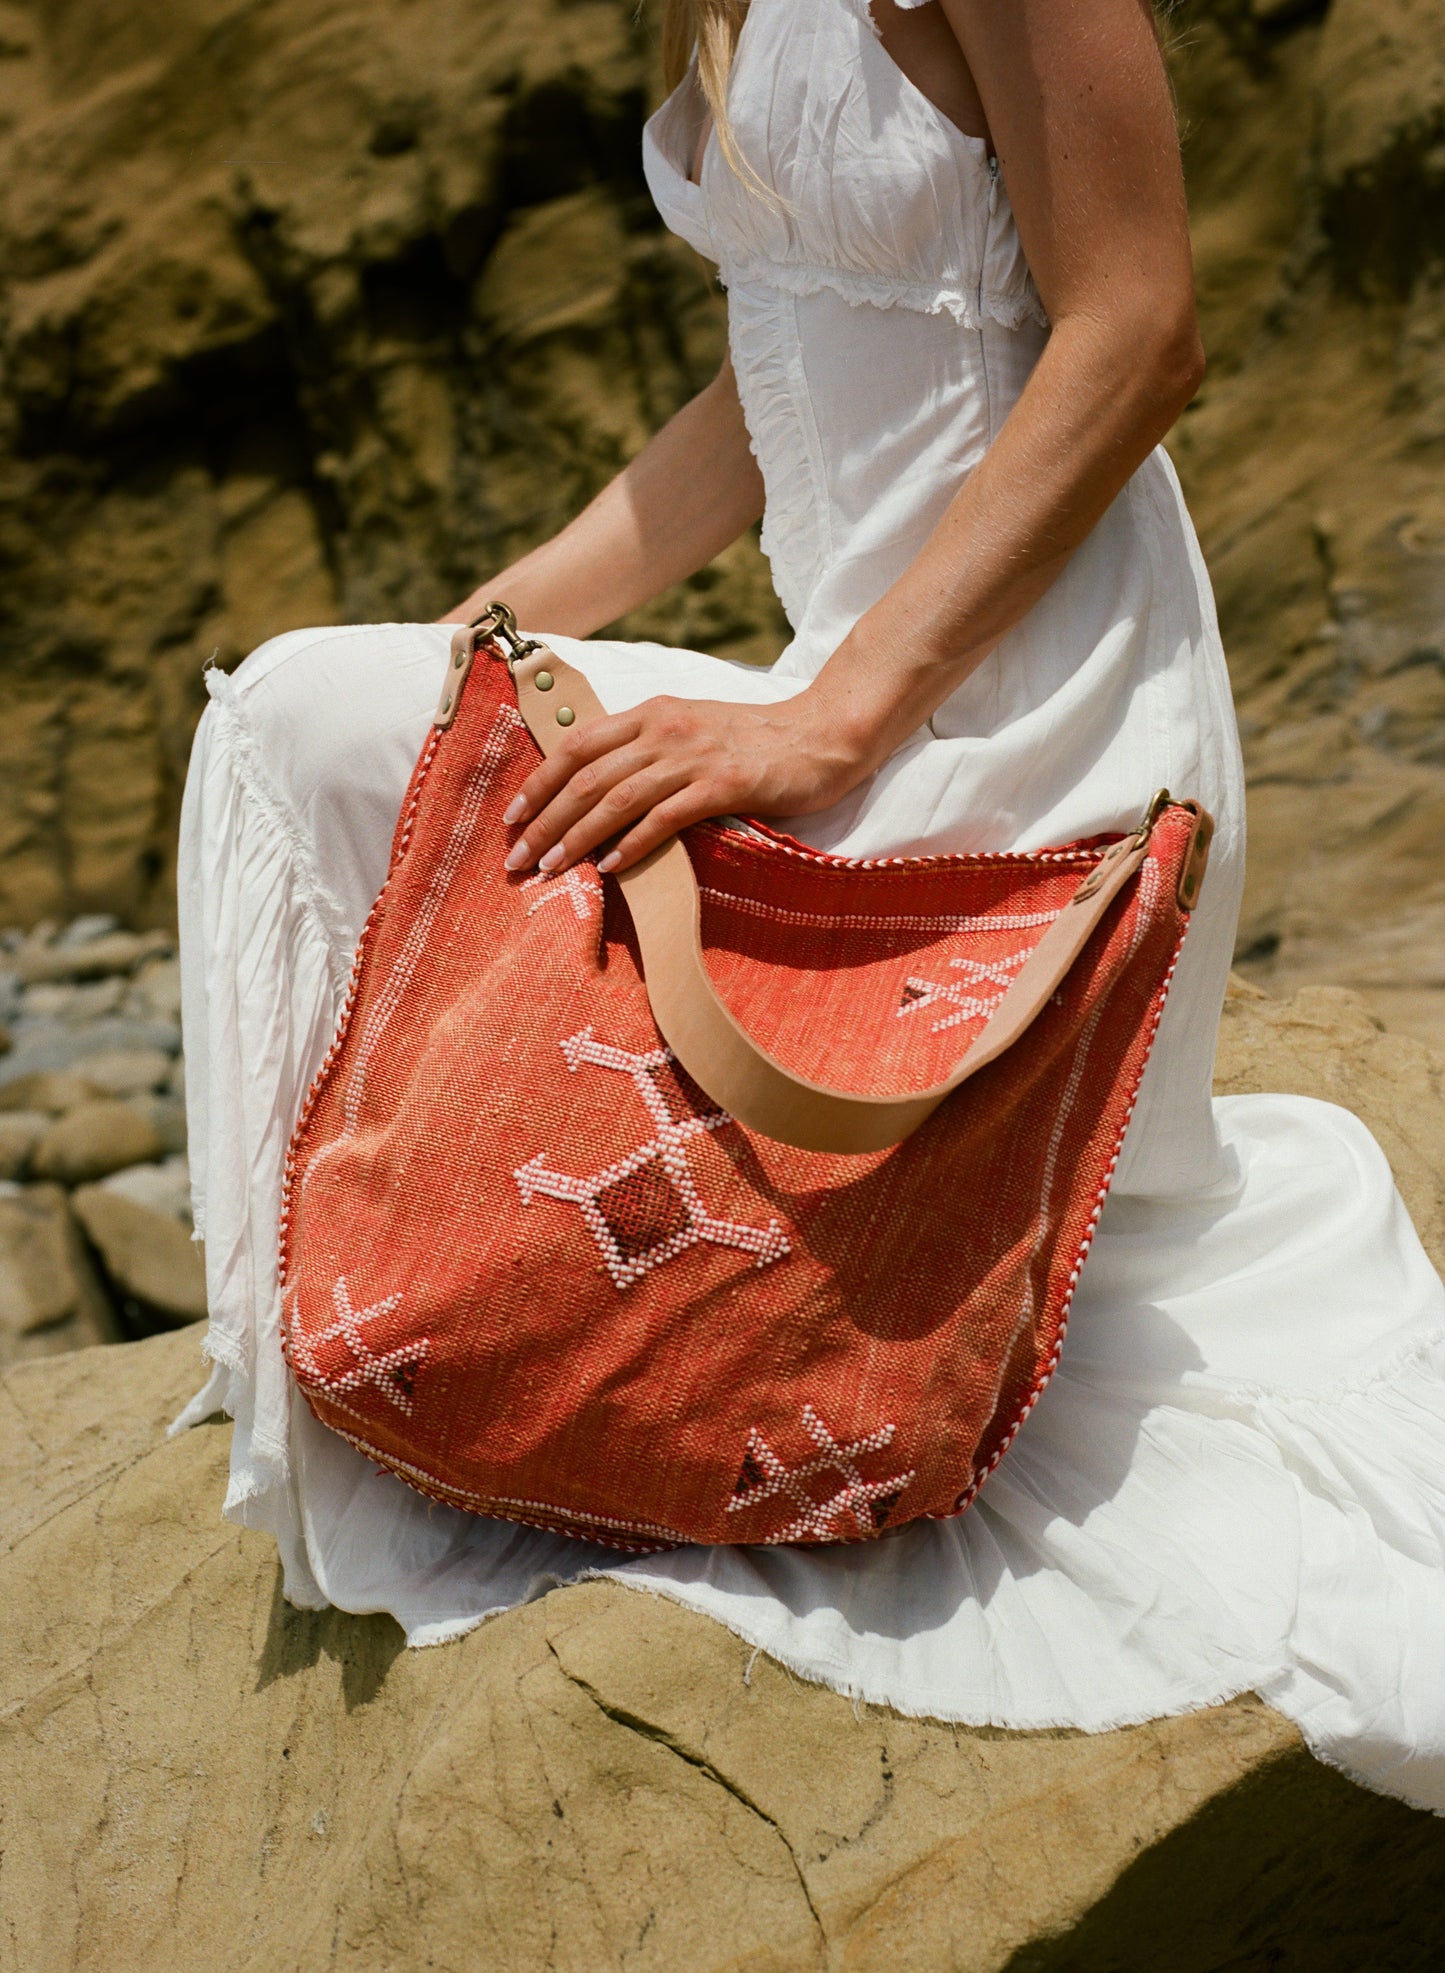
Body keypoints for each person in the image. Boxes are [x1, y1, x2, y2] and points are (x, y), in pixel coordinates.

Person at [175, 0, 1445, 1810]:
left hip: (1024, 715)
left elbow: (1139, 328)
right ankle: (369, 1337)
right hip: (833, 676)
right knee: (302, 721)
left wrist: (830, 721)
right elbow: (772, 374)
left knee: (326, 727)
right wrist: (488, 634)